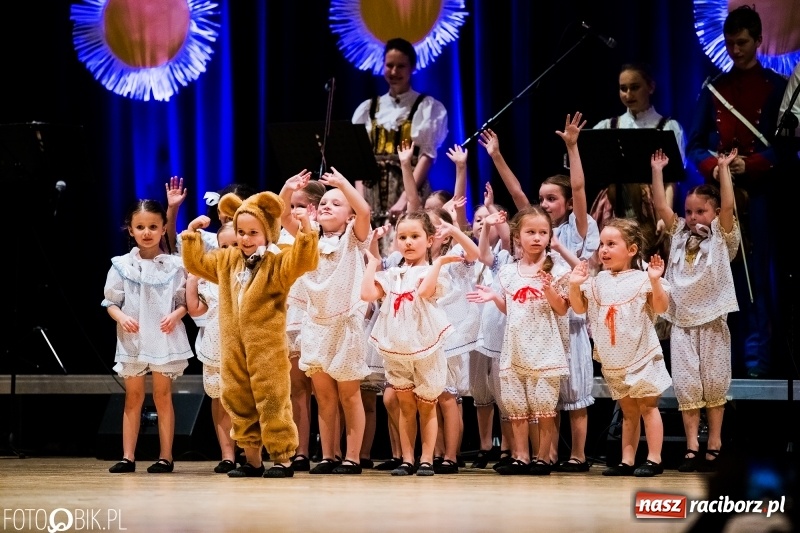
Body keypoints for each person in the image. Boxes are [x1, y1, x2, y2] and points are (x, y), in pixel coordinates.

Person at [478, 114, 599, 472]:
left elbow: (578, 190)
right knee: (533, 401)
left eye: (551, 199)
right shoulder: (529, 237)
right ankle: (533, 456)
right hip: (527, 333)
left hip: (568, 325)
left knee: (572, 397)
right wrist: (497, 156)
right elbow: (517, 195)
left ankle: (567, 455)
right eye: (541, 200)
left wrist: (572, 147)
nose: (544, 205)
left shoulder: (577, 230)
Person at [181, 191, 319, 478]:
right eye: (241, 232)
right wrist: (192, 234)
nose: (245, 238)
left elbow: (304, 262)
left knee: (272, 401)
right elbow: (197, 265)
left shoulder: (276, 261)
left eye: (253, 233)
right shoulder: (227, 260)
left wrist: (306, 229)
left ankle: (282, 459)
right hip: (233, 348)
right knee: (238, 402)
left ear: (267, 231)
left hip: (267, 349)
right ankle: (252, 460)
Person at [686, 5, 788, 378]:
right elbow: (695, 145)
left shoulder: (778, 88)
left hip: (761, 196)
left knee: (758, 278)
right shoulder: (715, 87)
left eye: (742, 42)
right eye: (730, 43)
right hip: (720, 199)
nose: (735, 50)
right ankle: (719, 368)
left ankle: (758, 367)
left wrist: (753, 165)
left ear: (759, 40)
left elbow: (787, 147)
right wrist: (719, 168)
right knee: (717, 278)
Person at [652, 148, 740, 472]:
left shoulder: (721, 237)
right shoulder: (679, 235)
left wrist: (722, 168)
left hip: (713, 319)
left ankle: (714, 442)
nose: (692, 218)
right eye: (689, 212)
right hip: (682, 321)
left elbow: (728, 205)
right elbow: (661, 205)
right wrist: (658, 170)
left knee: (714, 383)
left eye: (700, 211)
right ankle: (691, 446)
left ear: (714, 213)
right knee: (687, 385)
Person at [467, 206, 571, 475]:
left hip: (545, 346)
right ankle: (521, 456)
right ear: (517, 235)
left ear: (550, 236)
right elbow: (511, 308)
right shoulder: (510, 272)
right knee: (517, 406)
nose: (537, 238)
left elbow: (562, 309)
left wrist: (548, 290)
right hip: (515, 346)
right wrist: (494, 298)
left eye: (543, 233)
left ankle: (543, 457)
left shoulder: (557, 269)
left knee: (544, 406)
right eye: (530, 232)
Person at [569, 219, 672, 477]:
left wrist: (656, 281)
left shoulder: (641, 279)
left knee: (648, 406)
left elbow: (661, 308)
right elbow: (580, 308)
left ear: (632, 250)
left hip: (642, 354)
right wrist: (573, 285)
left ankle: (654, 458)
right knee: (627, 411)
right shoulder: (598, 281)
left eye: (611, 244)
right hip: (614, 358)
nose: (604, 250)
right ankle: (627, 460)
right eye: (602, 244)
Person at [287, 167, 372, 475]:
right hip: (315, 325)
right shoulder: (308, 237)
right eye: (324, 202)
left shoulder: (353, 237)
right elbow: (283, 216)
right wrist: (288, 188)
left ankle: (351, 456)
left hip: (345, 326)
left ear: (348, 215)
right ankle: (328, 454)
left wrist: (340, 183)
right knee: (323, 396)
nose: (327, 206)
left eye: (336, 204)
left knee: (349, 395)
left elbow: (364, 209)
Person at [361, 210, 459, 476]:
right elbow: (367, 293)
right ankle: (407, 458)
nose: (408, 242)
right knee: (405, 406)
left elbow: (425, 291)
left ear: (428, 240)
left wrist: (437, 263)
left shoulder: (432, 272)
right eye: (402, 237)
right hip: (396, 343)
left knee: (427, 404)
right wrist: (372, 263)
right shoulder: (392, 274)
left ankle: (426, 458)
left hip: (424, 342)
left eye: (415, 236)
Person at [103, 199, 193, 474]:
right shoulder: (121, 265)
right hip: (134, 338)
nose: (146, 232)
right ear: (130, 230)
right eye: (140, 227)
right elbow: (110, 302)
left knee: (163, 396)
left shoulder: (175, 266)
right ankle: (128, 456)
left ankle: (165, 456)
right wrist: (122, 317)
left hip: (163, 337)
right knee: (133, 398)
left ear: (163, 228)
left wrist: (176, 315)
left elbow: (184, 300)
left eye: (153, 226)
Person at [590, 62, 686, 260]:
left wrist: (663, 215)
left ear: (650, 87)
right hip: (614, 200)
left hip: (650, 204)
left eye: (635, 87)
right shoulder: (607, 126)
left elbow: (671, 179)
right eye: (623, 88)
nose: (628, 94)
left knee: (650, 257)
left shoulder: (667, 127)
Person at [352, 37, 448, 230]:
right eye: (390, 65)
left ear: (412, 67)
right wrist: (359, 200)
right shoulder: (368, 108)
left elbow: (426, 157)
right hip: (372, 189)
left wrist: (405, 198)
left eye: (401, 66)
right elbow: (360, 161)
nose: (394, 71)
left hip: (408, 185)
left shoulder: (426, 107)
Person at [277, 170, 326, 471]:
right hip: (293, 318)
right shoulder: (287, 233)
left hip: (318, 316)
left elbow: (284, 217)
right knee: (297, 389)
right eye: (292, 204)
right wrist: (286, 186)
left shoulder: (317, 232)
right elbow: (280, 214)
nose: (293, 210)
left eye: (300, 205)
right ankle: (301, 451)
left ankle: (333, 452)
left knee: (324, 391)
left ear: (315, 208)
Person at [185, 223, 238, 473]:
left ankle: (252, 453)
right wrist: (192, 282)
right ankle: (227, 455)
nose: (229, 250)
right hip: (216, 343)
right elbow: (196, 310)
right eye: (224, 246)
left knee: (245, 401)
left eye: (235, 245)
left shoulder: (254, 271)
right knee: (219, 399)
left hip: (245, 344)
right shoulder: (210, 276)